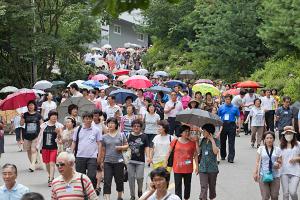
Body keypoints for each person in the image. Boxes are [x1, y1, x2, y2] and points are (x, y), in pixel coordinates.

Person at [164, 125, 198, 200]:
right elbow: (169, 152)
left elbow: (195, 154)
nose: (187, 133)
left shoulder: (192, 142)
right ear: (181, 133)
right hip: (177, 168)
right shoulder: (175, 141)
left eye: (189, 131)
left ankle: (186, 198)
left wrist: (197, 167)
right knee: (178, 185)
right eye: (186, 131)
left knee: (187, 185)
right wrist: (165, 161)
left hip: (188, 168)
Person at [71, 112, 102, 191]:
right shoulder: (78, 129)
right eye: (86, 119)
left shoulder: (96, 130)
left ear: (92, 119)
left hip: (92, 156)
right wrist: (71, 154)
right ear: (83, 119)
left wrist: (99, 156)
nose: (88, 120)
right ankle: (82, 192)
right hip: (80, 156)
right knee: (80, 176)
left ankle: (91, 191)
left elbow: (99, 144)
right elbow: (74, 142)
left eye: (90, 118)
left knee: (91, 176)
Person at [101, 117, 128, 200]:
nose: (110, 125)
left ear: (116, 125)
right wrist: (102, 162)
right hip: (107, 162)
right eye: (109, 123)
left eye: (112, 123)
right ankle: (107, 198)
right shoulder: (104, 137)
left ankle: (119, 196)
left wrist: (121, 147)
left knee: (119, 181)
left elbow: (127, 146)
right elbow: (103, 150)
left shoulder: (121, 135)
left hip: (119, 161)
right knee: (107, 181)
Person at [37, 110, 63, 187]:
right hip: (45, 148)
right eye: (53, 115)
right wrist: (37, 146)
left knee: (52, 163)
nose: (54, 117)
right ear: (49, 116)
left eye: (56, 115)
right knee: (47, 164)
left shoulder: (59, 126)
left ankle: (51, 179)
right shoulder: (43, 125)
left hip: (54, 148)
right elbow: (40, 136)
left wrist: (58, 133)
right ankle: (50, 175)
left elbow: (61, 138)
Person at [253, 131, 282, 200]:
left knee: (275, 196)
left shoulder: (277, 149)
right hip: (263, 175)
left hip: (275, 175)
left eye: (271, 138)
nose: (269, 140)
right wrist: (255, 172)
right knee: (265, 196)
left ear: (274, 139)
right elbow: (257, 162)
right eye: (267, 138)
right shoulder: (261, 149)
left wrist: (277, 164)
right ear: (264, 140)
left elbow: (280, 162)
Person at [127, 119, 150, 200]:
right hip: (130, 161)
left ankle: (140, 190)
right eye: (134, 126)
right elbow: (125, 146)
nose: (136, 127)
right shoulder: (128, 135)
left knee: (140, 177)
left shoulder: (144, 136)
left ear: (141, 127)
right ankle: (132, 196)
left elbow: (147, 147)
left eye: (138, 126)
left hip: (140, 161)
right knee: (131, 178)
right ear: (132, 127)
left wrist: (148, 157)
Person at [198, 124, 220, 200]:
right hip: (203, 168)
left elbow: (215, 152)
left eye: (204, 131)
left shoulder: (216, 141)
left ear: (209, 132)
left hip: (212, 168)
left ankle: (212, 197)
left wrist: (212, 140)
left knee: (212, 187)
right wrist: (196, 142)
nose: (203, 133)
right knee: (203, 186)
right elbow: (198, 151)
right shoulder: (203, 140)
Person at [21, 100, 43, 172]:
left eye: (32, 105)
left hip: (35, 135)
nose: (31, 106)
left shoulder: (38, 115)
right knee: (28, 150)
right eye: (29, 105)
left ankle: (33, 165)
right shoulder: (25, 114)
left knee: (33, 150)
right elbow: (21, 124)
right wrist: (21, 117)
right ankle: (32, 164)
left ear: (34, 106)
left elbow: (42, 125)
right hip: (27, 135)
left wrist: (41, 133)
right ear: (27, 106)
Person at [217, 94, 240, 163]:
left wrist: (239, 126)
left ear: (231, 100)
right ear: (224, 100)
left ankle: (231, 158)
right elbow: (218, 117)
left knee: (231, 142)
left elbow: (238, 117)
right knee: (222, 141)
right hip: (223, 125)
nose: (227, 100)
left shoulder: (235, 108)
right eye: (226, 99)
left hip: (232, 125)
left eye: (229, 99)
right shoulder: (221, 107)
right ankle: (223, 155)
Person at [279, 126, 300, 200]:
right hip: (284, 171)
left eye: (290, 133)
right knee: (285, 194)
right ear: (284, 135)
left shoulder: (298, 144)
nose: (288, 135)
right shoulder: (281, 145)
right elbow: (279, 158)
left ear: (293, 134)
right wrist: (277, 162)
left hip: (296, 171)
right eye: (287, 133)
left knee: (293, 192)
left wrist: (296, 158)